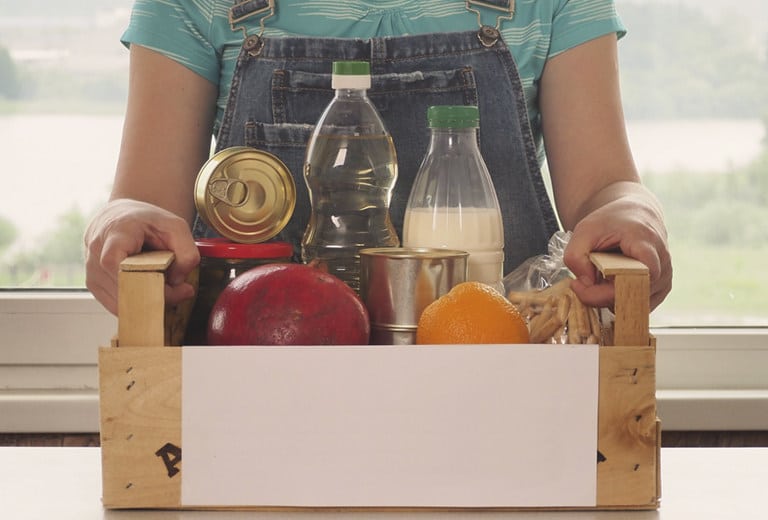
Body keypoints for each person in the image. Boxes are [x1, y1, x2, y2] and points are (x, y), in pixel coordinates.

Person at [84, 0, 672, 316]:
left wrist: (633, 213)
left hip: (497, 381)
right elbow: (146, 202)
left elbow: (604, 186)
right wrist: (115, 224)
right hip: (256, 385)